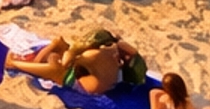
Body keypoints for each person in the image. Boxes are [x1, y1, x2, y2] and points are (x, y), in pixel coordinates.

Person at [8, 25, 137, 96]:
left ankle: (15, 64)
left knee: (55, 70)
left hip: (79, 83)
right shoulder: (114, 49)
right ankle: (55, 45)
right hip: (97, 81)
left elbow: (66, 63)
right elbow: (133, 52)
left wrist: (58, 58)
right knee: (53, 60)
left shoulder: (93, 55)